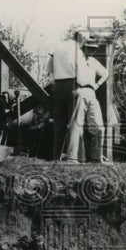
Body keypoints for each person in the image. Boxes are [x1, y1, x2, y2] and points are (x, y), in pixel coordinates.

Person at [61, 31, 109, 163]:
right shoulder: (76, 58)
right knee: (76, 125)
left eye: (94, 49)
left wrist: (97, 85)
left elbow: (105, 73)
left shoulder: (93, 61)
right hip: (79, 91)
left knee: (99, 127)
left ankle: (96, 158)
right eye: (89, 48)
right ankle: (72, 158)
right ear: (84, 47)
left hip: (91, 93)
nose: (92, 51)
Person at [45, 32, 84, 160]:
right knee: (74, 123)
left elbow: (48, 67)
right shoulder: (77, 49)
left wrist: (53, 79)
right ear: (81, 39)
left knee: (59, 124)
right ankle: (72, 157)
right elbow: (80, 68)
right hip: (73, 84)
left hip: (58, 86)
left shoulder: (57, 46)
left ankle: (56, 156)